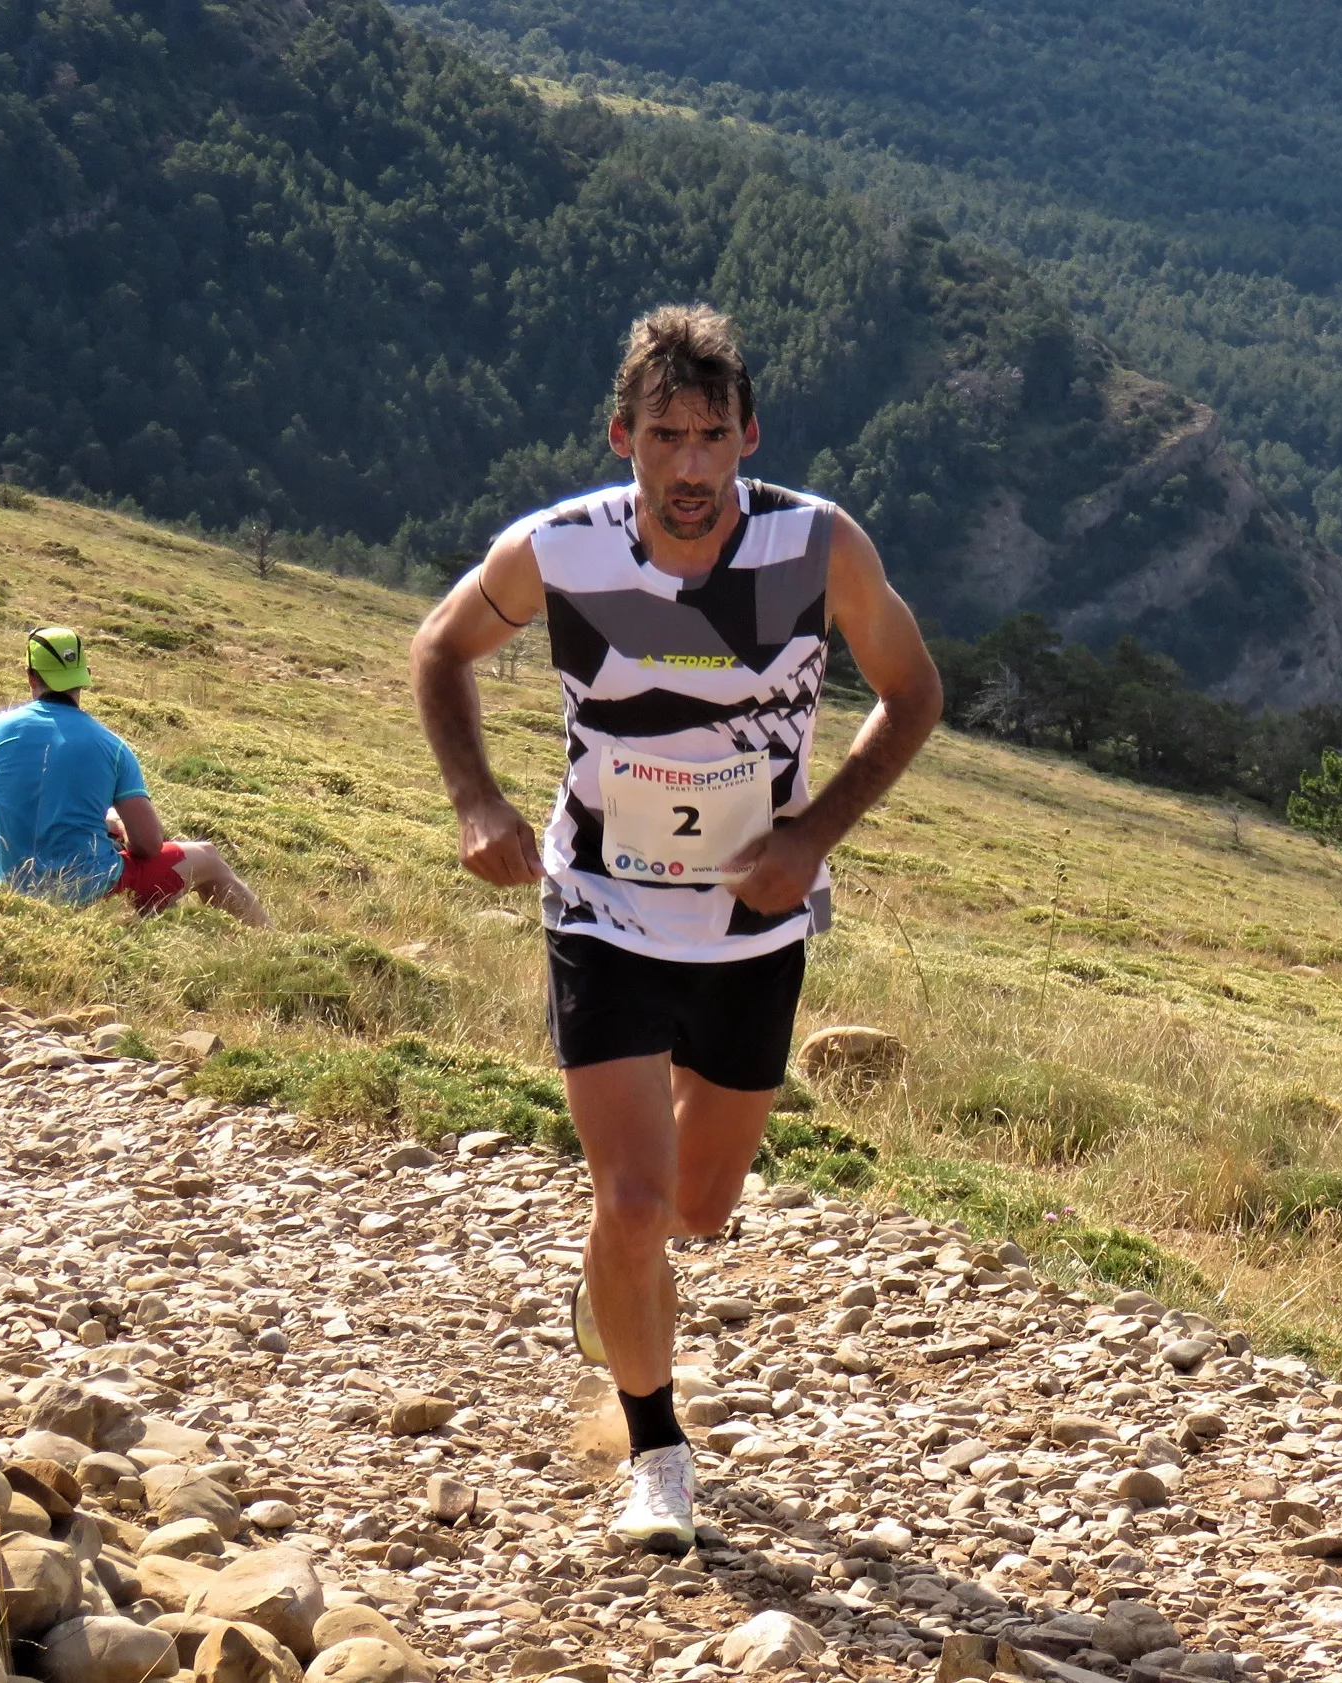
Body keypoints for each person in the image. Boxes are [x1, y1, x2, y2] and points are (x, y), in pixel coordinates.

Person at [409, 303, 942, 1552]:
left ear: (748, 436)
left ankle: (616, 1285)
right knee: (636, 1204)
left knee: (699, 1210)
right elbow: (440, 649)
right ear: (623, 440)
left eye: (713, 437)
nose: (691, 466)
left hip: (754, 928)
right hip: (600, 907)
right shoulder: (562, 549)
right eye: (665, 438)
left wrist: (813, 836)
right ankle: (656, 1449)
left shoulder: (820, 547)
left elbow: (913, 693)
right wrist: (476, 799)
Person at [0, 626, 270, 926]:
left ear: (30, 675)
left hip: (12, 887)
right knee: (207, 856)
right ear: (85, 674)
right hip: (91, 893)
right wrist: (116, 824)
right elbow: (148, 845)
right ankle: (269, 944)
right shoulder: (111, 746)